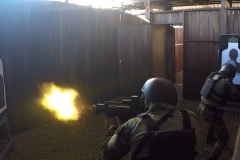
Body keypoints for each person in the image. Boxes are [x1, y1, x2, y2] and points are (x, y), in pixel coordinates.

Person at [102, 78, 200, 160]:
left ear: (147, 99)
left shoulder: (133, 125)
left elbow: (108, 154)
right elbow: (194, 151)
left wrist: (112, 127)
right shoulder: (190, 119)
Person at [198, 63, 240, 160]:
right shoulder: (226, 81)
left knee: (215, 117)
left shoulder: (213, 75)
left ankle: (210, 137)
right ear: (230, 73)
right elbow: (236, 96)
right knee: (224, 138)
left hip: (201, 107)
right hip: (210, 112)